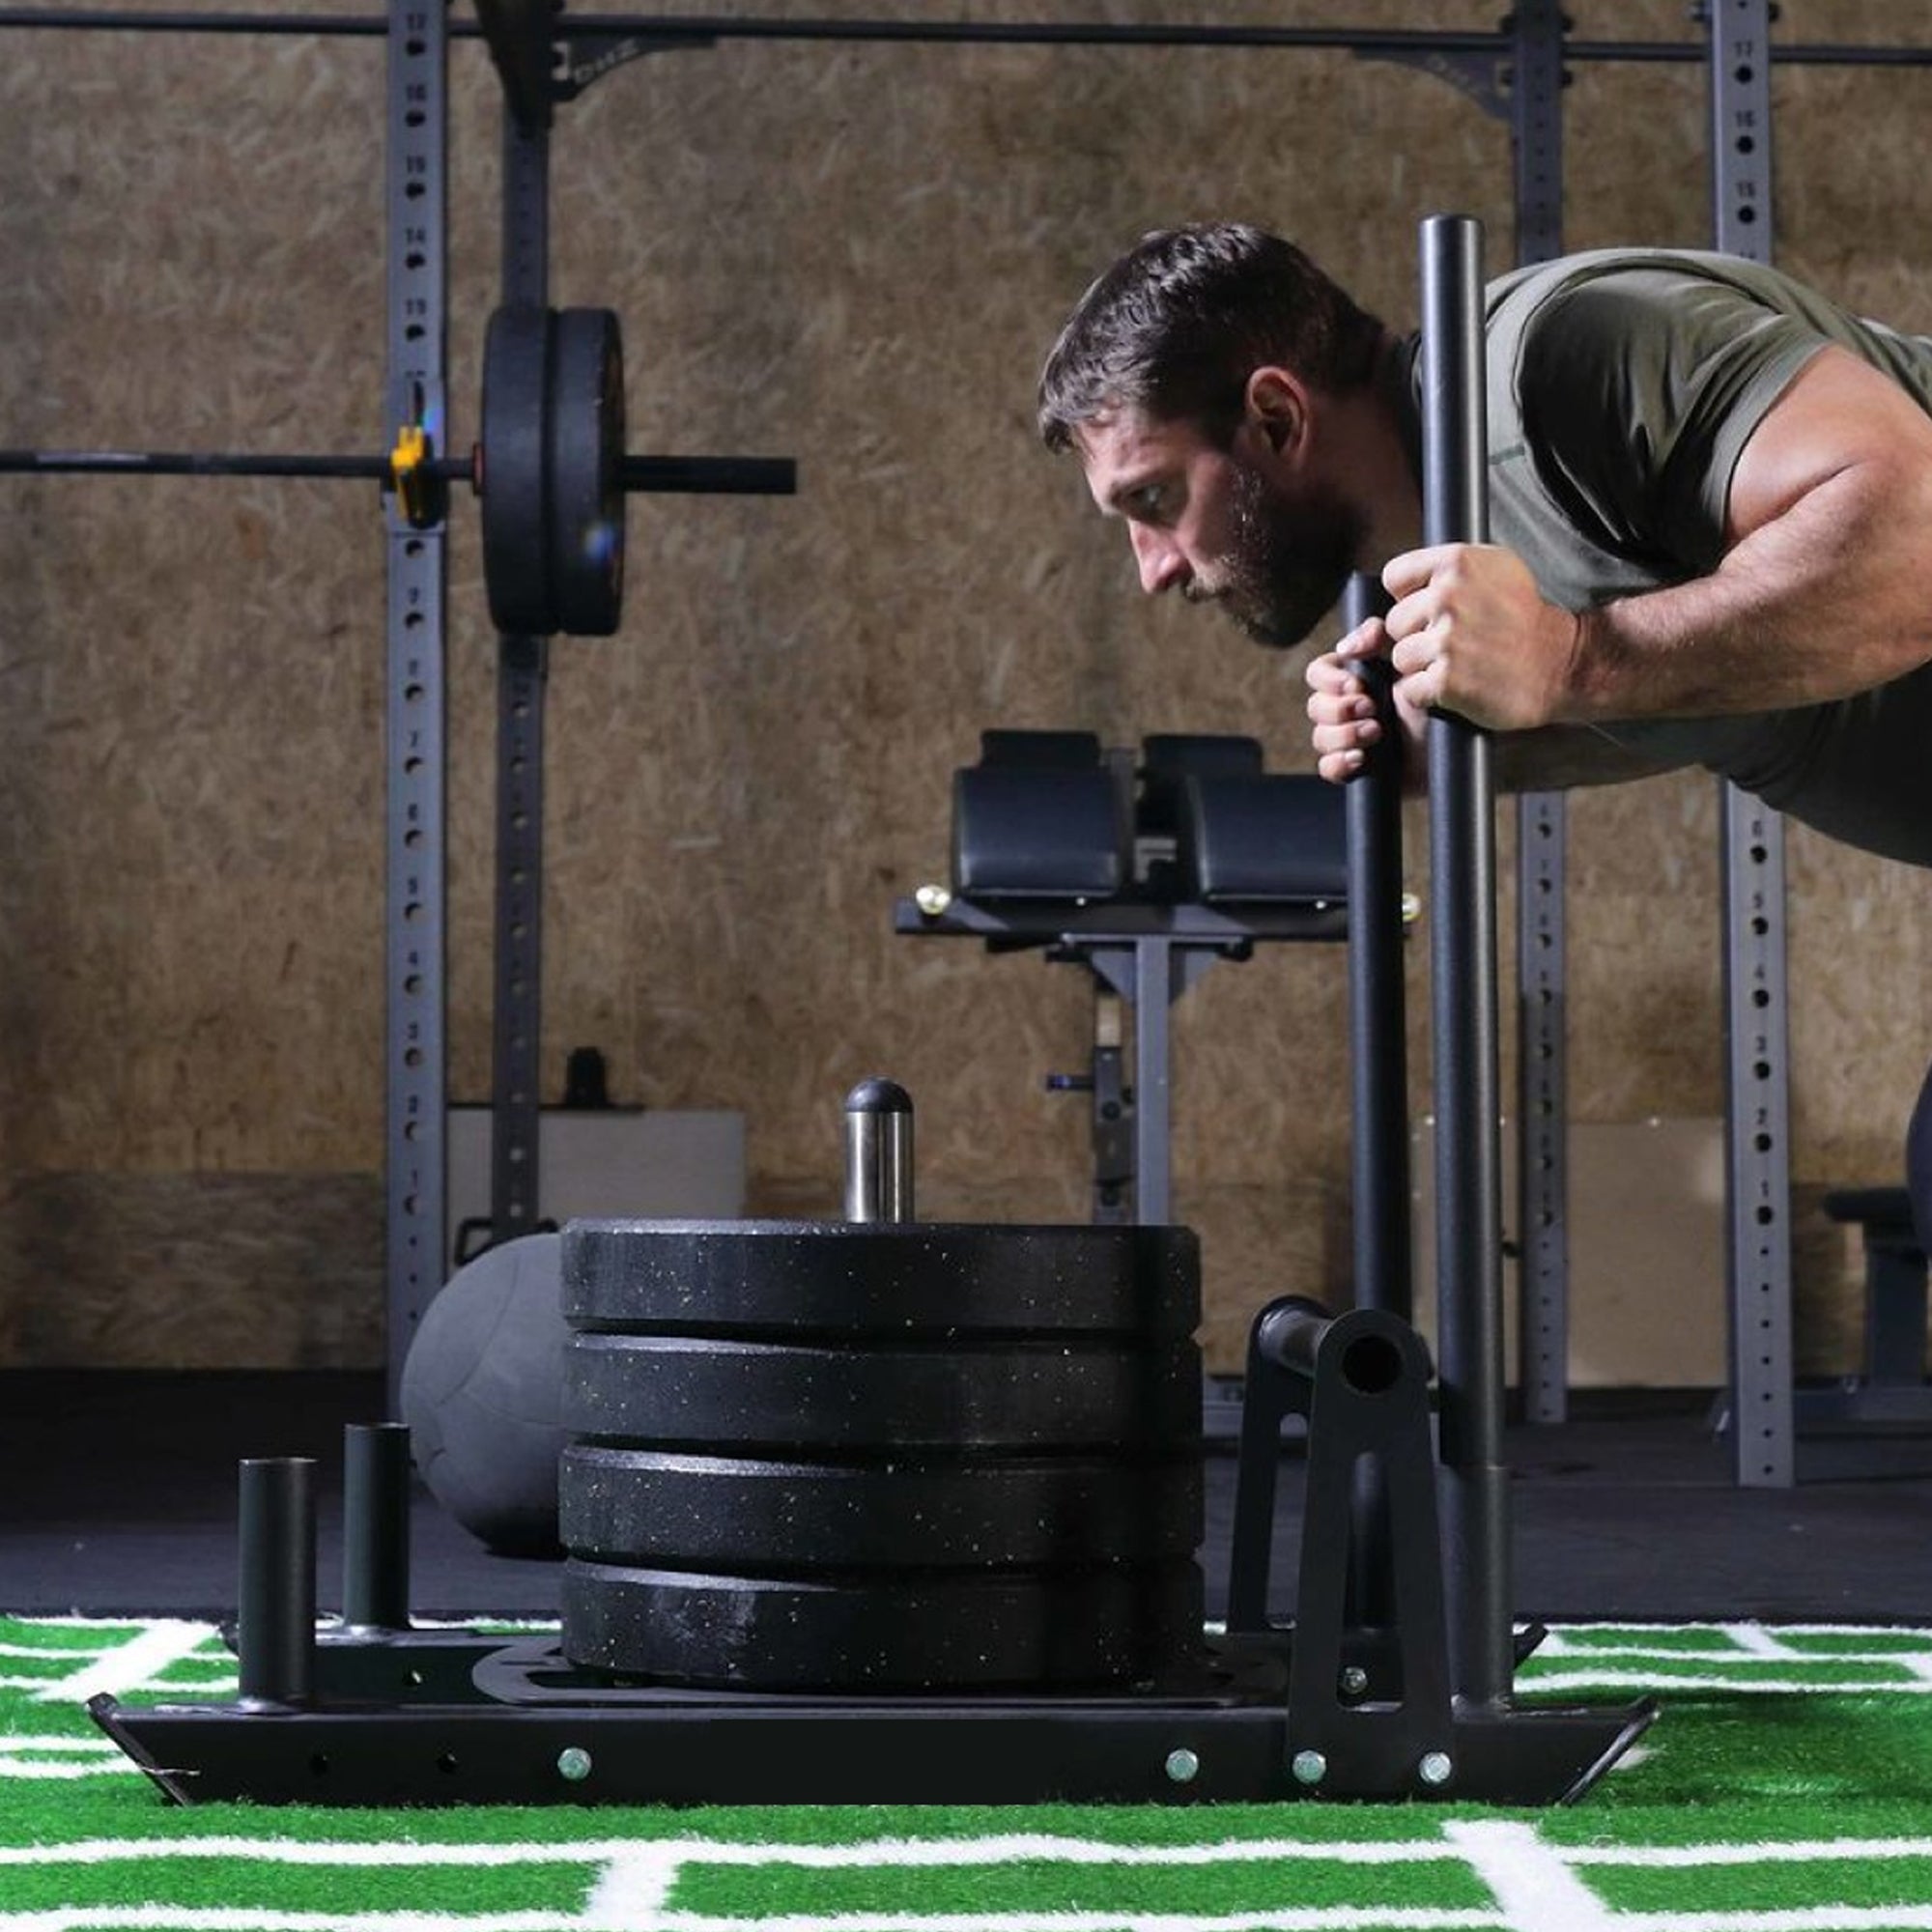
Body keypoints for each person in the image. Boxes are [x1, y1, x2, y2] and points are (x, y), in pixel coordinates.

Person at [1035, 221, 1932, 869]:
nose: (1152, 569)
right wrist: (1476, 738)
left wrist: (1572, 660)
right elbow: (1750, 688)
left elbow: (1917, 540)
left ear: (1275, 417)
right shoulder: (1448, 556)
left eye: (1152, 497)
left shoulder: (1561, 360)